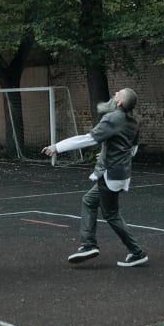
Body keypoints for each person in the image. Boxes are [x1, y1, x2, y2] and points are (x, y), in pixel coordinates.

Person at [42, 88, 148, 267]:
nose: (114, 94)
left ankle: (130, 251)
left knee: (111, 214)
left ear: (120, 103)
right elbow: (132, 149)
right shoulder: (135, 120)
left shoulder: (112, 118)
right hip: (121, 172)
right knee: (90, 201)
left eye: (118, 94)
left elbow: (89, 139)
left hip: (111, 173)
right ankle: (90, 245)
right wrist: (110, 153)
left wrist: (57, 147)